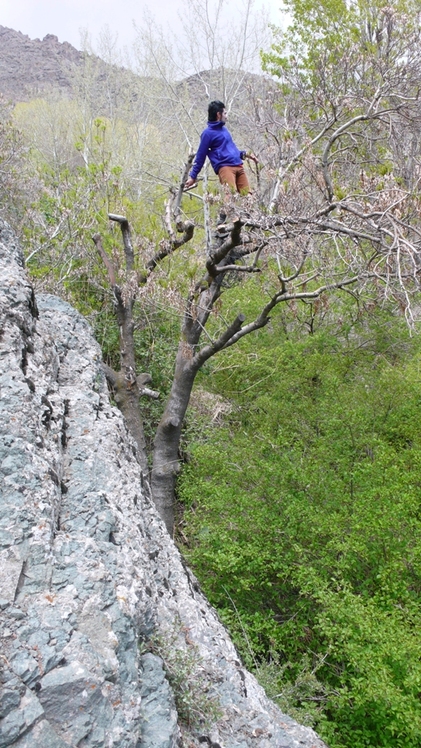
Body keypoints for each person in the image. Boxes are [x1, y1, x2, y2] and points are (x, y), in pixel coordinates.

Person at [184, 100, 258, 194]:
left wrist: (247, 155)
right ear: (219, 115)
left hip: (238, 165)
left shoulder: (224, 130)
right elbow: (201, 156)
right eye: (225, 113)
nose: (226, 117)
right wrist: (193, 176)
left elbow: (231, 151)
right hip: (225, 167)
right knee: (230, 196)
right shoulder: (207, 134)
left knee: (248, 197)